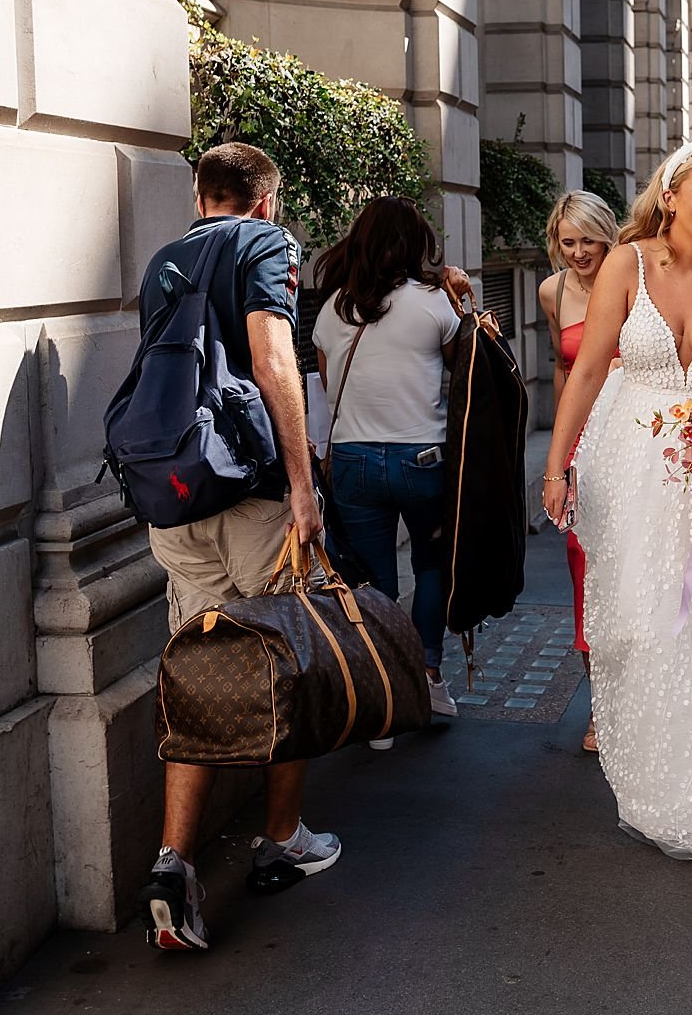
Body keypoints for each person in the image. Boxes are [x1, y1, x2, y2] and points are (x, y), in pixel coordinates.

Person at [540, 140, 692, 860]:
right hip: (632, 471)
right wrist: (557, 466)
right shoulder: (628, 262)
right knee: (644, 627)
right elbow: (589, 371)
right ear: (672, 192)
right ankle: (655, 780)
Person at [135, 143, 338, 951]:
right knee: (285, 665)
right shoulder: (266, 244)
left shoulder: (164, 258)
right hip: (251, 496)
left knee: (196, 668)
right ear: (264, 201)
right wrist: (301, 484)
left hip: (177, 497)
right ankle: (283, 836)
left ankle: (172, 865)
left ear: (200, 194)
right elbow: (270, 356)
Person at [311, 196, 470, 740]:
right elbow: (466, 375)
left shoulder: (333, 307)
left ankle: (380, 698)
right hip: (421, 459)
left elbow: (329, 388)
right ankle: (426, 675)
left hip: (353, 460)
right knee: (432, 566)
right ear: (414, 245)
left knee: (371, 583)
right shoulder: (433, 303)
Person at [537, 189, 621, 753]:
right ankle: (601, 707)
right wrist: (559, 459)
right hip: (585, 445)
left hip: (637, 439)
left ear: (608, 236)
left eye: (589, 239)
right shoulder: (553, 291)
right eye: (568, 241)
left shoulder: (635, 278)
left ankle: (642, 697)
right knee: (586, 575)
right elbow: (565, 374)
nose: (578, 251)